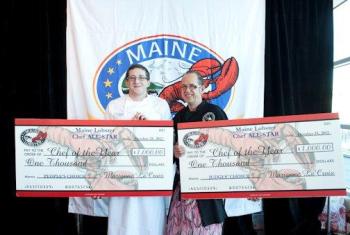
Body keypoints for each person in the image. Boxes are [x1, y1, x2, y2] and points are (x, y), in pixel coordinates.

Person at [104, 64, 172, 235]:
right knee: (122, 218)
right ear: (126, 82)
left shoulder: (161, 105)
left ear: (148, 82)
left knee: (151, 218)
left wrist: (148, 127)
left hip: (151, 172)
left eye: (141, 77)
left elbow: (168, 137)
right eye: (132, 78)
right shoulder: (114, 106)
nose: (136, 81)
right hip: (122, 171)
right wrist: (129, 124)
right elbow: (106, 139)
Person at [166, 71, 228, 234]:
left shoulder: (215, 113)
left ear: (202, 88)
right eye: (184, 87)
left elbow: (229, 147)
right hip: (183, 185)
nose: (188, 90)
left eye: (192, 86)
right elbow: (169, 152)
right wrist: (174, 151)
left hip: (207, 186)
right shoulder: (179, 116)